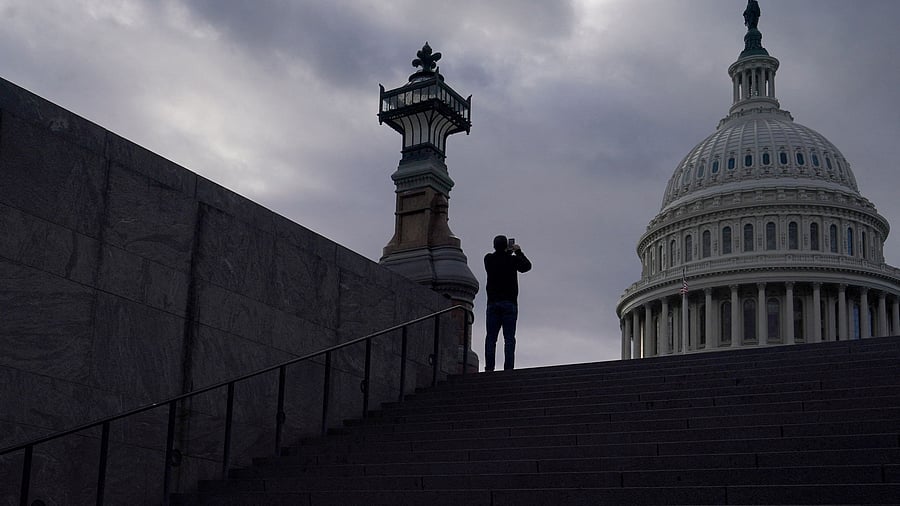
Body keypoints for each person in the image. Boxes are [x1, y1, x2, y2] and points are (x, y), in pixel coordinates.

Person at [484, 235, 532, 371]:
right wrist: (518, 251)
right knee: (509, 338)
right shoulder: (512, 260)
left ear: (494, 246)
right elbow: (527, 266)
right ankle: (508, 368)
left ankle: (489, 368)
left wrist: (506, 252)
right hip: (509, 303)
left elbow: (498, 259)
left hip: (492, 303)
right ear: (506, 246)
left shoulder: (488, 259)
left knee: (491, 338)